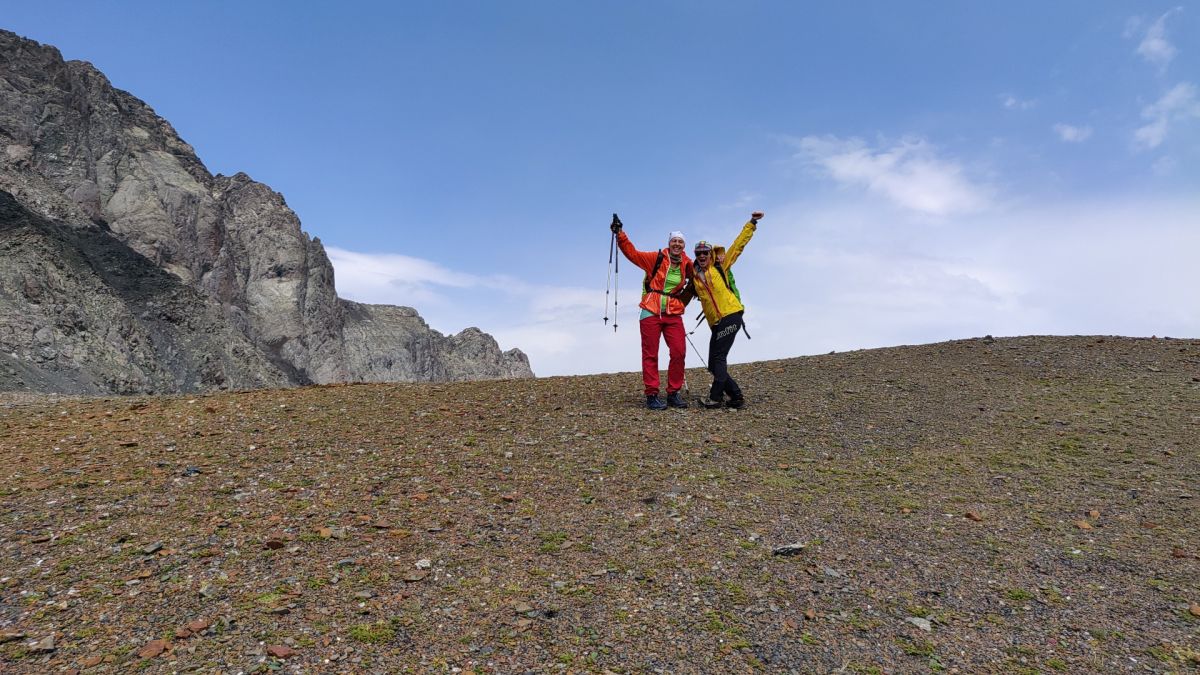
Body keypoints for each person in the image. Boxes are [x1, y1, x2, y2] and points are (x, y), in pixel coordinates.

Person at [610, 215, 694, 410]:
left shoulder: (687, 264)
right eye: (674, 241)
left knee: (679, 351)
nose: (677, 244)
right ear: (669, 243)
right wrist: (620, 234)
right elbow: (633, 254)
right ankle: (652, 395)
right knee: (650, 354)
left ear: (684, 246)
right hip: (650, 310)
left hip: (673, 312)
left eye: (680, 242)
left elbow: (702, 272)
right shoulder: (655, 259)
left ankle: (673, 393)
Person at [688, 211, 761, 409]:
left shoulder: (720, 266)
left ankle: (715, 397)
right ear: (695, 256)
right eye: (698, 253)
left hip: (731, 315)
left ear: (710, 254)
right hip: (717, 324)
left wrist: (751, 223)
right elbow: (683, 297)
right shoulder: (694, 278)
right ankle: (735, 396)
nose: (702, 255)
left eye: (705, 252)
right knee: (713, 363)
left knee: (718, 358)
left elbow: (738, 246)